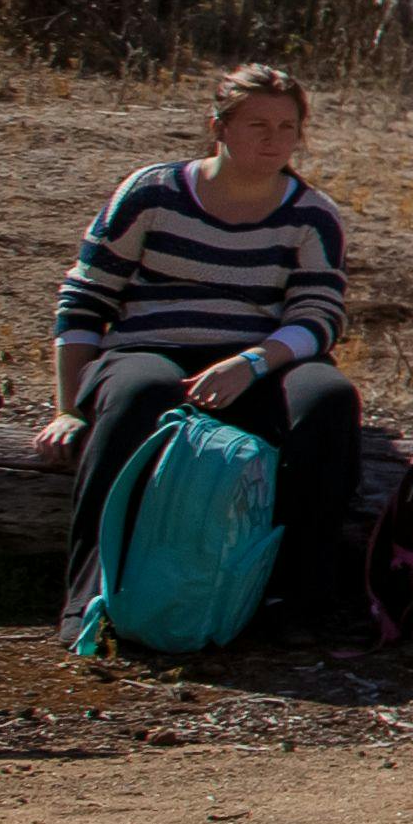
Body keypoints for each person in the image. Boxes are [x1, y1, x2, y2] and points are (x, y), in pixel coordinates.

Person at [42, 65, 363, 630]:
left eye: (288, 127)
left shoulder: (313, 215)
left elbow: (318, 318)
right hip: (147, 351)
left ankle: (296, 601)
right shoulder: (151, 192)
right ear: (218, 126)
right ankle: (90, 600)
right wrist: (68, 408)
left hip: (256, 361)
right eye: (257, 124)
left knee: (330, 397)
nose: (274, 139)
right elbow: (85, 299)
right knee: (146, 391)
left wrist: (251, 363)